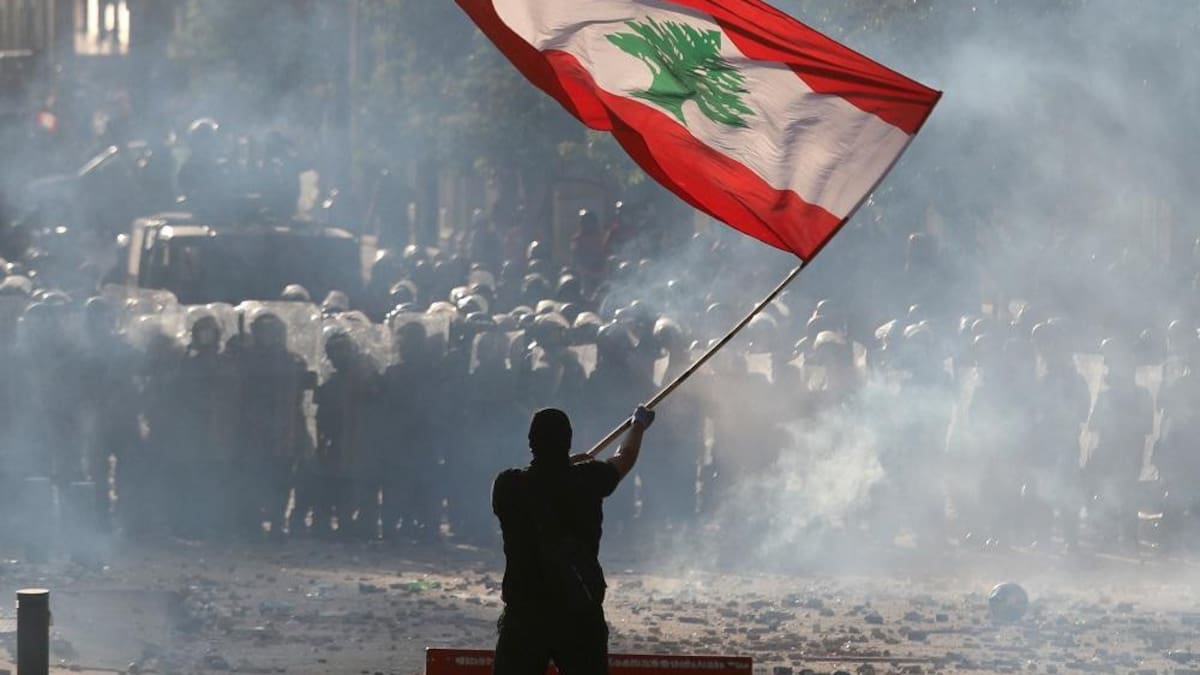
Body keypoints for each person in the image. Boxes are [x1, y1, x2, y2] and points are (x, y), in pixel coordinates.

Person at [492, 406, 655, 674]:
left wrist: (567, 465)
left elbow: (544, 481)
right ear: (568, 441)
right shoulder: (589, 479)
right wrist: (637, 425)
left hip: (525, 612)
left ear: (531, 442)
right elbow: (624, 457)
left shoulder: (508, 486)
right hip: (578, 609)